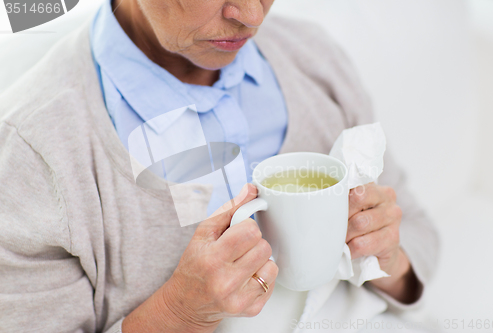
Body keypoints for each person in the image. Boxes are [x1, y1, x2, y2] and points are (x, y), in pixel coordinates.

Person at [0, 0, 438, 332]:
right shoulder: (34, 150)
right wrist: (176, 313)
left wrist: (385, 257)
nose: (250, 14)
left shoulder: (313, 58)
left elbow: (416, 233)